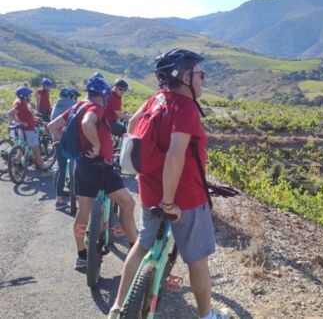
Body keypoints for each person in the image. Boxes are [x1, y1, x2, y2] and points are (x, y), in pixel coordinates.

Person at [108, 49, 228, 319]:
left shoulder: (156, 99)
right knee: (198, 261)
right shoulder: (184, 108)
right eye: (200, 74)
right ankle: (207, 315)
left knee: (142, 245)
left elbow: (135, 124)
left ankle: (117, 306)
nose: (202, 79)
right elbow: (175, 156)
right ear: (185, 77)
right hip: (183, 197)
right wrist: (169, 202)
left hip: (149, 190)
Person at [48, 77, 138, 270]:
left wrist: (74, 148)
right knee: (128, 203)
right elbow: (88, 124)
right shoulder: (95, 109)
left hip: (82, 165)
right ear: (104, 95)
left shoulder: (77, 106)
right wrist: (96, 145)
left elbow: (52, 127)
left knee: (83, 211)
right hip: (100, 167)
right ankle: (134, 252)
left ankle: (81, 256)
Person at [7, 87, 52, 177]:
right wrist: (21, 122)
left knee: (22, 149)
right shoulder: (20, 105)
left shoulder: (21, 103)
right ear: (24, 97)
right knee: (37, 152)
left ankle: (15, 170)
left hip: (25, 130)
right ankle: (44, 170)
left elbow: (25, 115)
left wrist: (35, 118)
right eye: (29, 95)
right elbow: (9, 114)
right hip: (29, 131)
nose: (31, 97)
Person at [49, 87, 78, 209]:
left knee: (61, 169)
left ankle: (60, 197)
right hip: (66, 141)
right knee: (76, 165)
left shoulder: (56, 105)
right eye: (75, 96)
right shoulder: (72, 106)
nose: (76, 99)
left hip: (56, 140)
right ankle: (62, 199)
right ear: (71, 96)